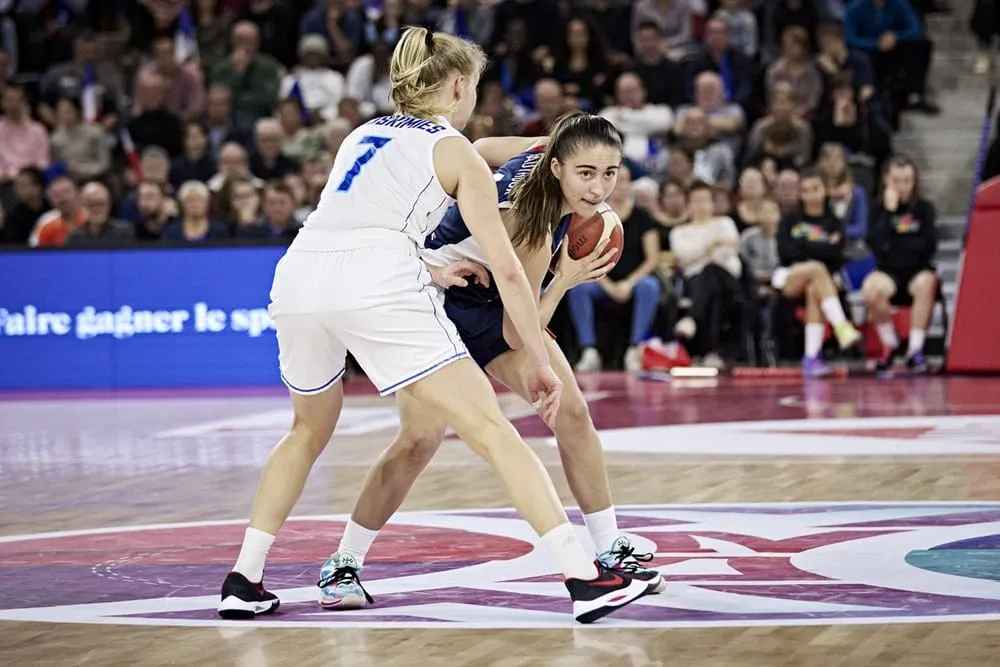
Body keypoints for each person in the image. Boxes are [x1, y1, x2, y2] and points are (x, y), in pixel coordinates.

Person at [217, 28, 648, 625]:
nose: (598, 186)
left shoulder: (361, 133)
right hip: (405, 291)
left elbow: (360, 221)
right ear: (458, 86)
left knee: (306, 431)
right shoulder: (463, 156)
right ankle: (584, 580)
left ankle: (244, 578)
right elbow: (512, 280)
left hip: (301, 274)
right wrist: (561, 298)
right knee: (489, 430)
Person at [317, 113, 668, 612]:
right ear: (557, 168)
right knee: (419, 441)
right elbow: (514, 329)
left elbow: (478, 148)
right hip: (437, 305)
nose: (598, 188)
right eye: (585, 173)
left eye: (609, 173)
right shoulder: (531, 224)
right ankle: (343, 562)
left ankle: (610, 547)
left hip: (489, 295)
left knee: (572, 413)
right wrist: (565, 278)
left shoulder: (545, 152)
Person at [774, 169, 862, 376]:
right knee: (816, 268)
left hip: (824, 281)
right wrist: (820, 248)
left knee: (815, 285)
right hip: (791, 275)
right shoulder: (790, 220)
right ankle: (841, 325)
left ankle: (811, 357)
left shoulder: (834, 222)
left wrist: (804, 246)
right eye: (805, 190)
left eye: (815, 189)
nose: (810, 194)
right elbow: (785, 251)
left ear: (825, 191)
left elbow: (837, 253)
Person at [862, 156, 938, 375]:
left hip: (918, 270)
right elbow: (875, 243)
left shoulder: (924, 209)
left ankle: (915, 350)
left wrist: (896, 243)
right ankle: (891, 344)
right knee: (871, 289)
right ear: (886, 180)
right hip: (888, 271)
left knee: (926, 284)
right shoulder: (877, 209)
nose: (903, 186)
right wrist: (889, 212)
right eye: (897, 181)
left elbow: (928, 245)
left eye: (907, 180)